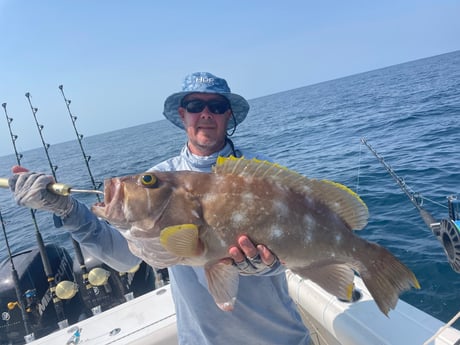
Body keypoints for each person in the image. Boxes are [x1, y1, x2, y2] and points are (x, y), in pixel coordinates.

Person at [9, 72, 311, 344]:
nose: (206, 114)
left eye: (217, 106)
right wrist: (69, 211)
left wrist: (273, 264)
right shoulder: (160, 179)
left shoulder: (260, 174)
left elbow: (299, 243)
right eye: (195, 106)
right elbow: (125, 256)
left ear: (228, 115)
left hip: (283, 338)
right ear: (183, 115)